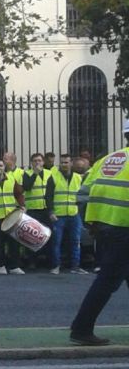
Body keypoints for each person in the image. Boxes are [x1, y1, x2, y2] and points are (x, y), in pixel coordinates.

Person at [69, 120, 129, 345]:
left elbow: (82, 194)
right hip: (124, 230)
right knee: (107, 281)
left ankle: (81, 328)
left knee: (111, 278)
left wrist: (92, 224)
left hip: (104, 229)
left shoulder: (107, 160)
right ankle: (81, 329)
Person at [49, 154, 86, 275]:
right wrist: (51, 212)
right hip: (58, 215)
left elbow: (82, 195)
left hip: (74, 214)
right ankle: (56, 266)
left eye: (66, 162)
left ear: (71, 164)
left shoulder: (78, 178)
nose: (64, 165)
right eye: (62, 162)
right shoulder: (53, 177)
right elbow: (48, 196)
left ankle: (75, 266)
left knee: (76, 241)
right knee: (56, 242)